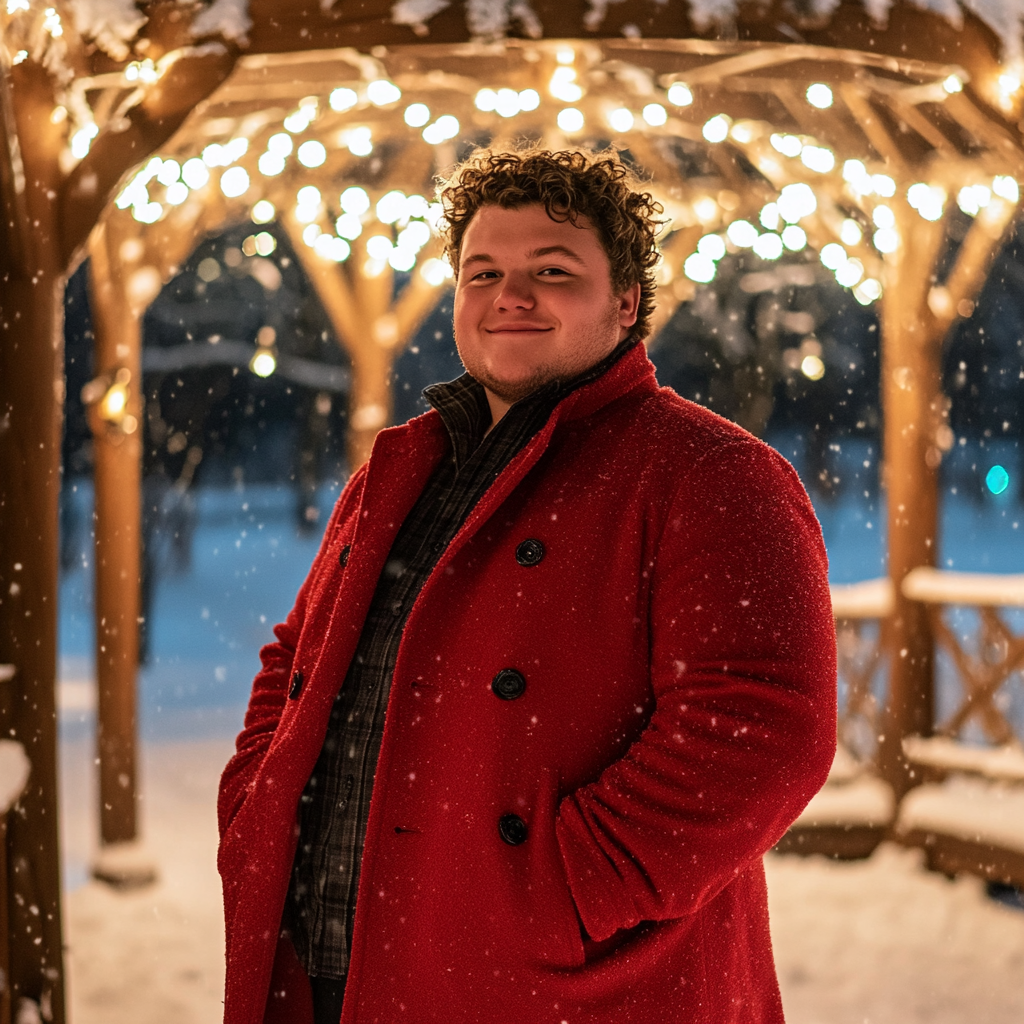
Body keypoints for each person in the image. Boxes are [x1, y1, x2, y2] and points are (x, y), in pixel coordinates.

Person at [217, 148, 836, 1024]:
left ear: (626, 302)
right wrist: (253, 807)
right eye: (484, 271)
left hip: (559, 980)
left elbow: (761, 726)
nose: (512, 294)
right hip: (326, 961)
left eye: (552, 270)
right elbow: (296, 658)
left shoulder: (713, 474)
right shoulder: (399, 468)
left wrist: (569, 887)